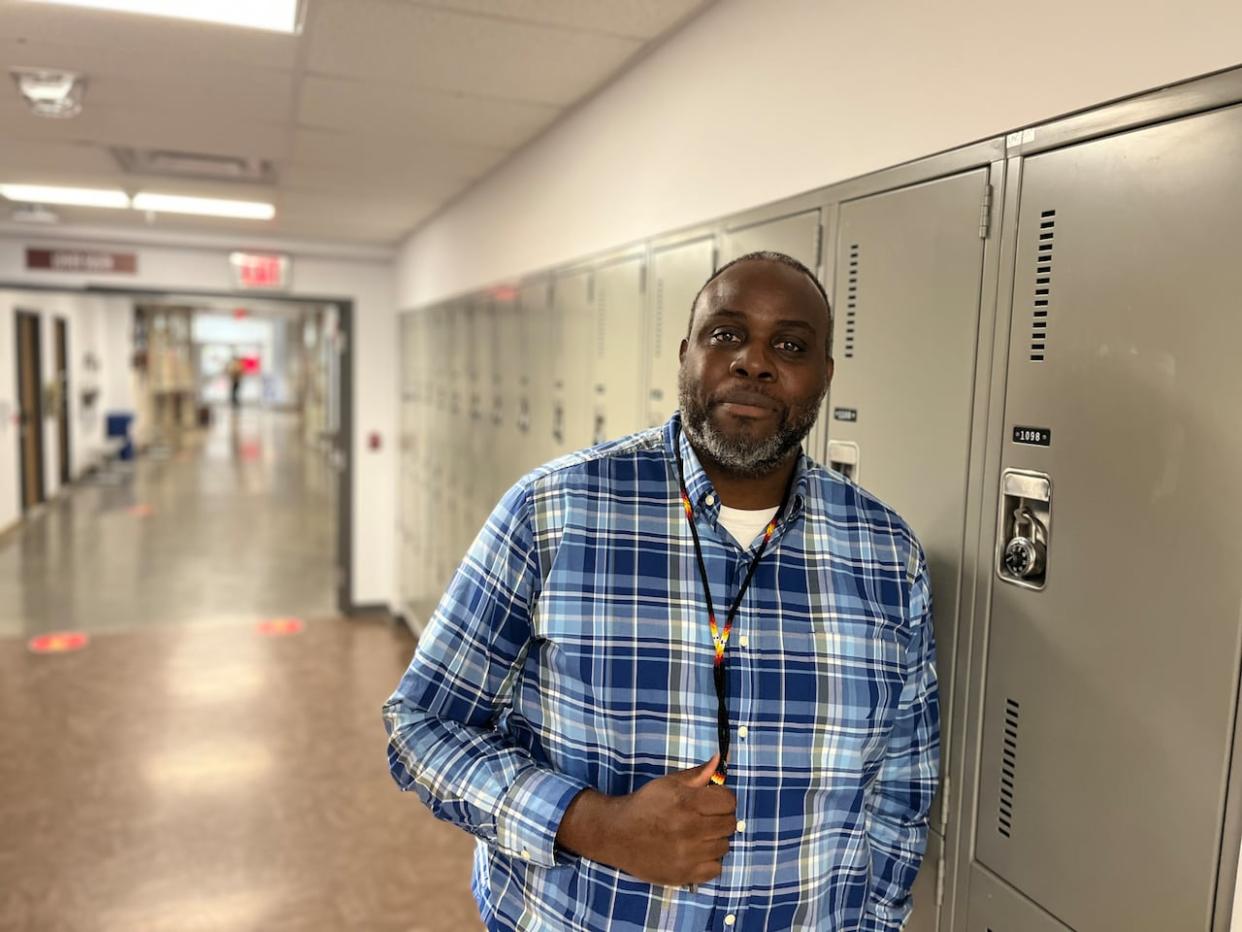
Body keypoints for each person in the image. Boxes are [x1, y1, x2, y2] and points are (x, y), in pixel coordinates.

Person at [383, 251, 939, 931]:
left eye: (789, 346)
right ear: (686, 355)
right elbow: (422, 728)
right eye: (726, 334)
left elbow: (901, 789)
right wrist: (593, 824)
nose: (753, 362)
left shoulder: (886, 555)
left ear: (824, 377)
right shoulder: (555, 511)